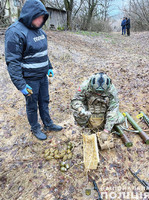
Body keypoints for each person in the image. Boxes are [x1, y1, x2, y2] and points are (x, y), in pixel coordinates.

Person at [5, 0, 63, 140]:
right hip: (29, 79)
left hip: (42, 77)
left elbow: (42, 52)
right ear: (29, 15)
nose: (40, 20)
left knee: (44, 101)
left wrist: (49, 67)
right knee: (32, 105)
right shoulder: (15, 32)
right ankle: (35, 128)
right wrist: (21, 85)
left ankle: (48, 124)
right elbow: (12, 62)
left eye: (42, 17)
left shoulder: (40, 30)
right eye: (37, 17)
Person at [71, 73, 124, 148]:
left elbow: (113, 109)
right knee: (78, 115)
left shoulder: (111, 90)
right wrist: (80, 109)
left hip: (104, 108)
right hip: (88, 108)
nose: (98, 94)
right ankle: (85, 126)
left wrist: (106, 131)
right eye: (96, 92)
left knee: (120, 119)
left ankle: (103, 124)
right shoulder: (84, 86)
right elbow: (76, 100)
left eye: (101, 92)